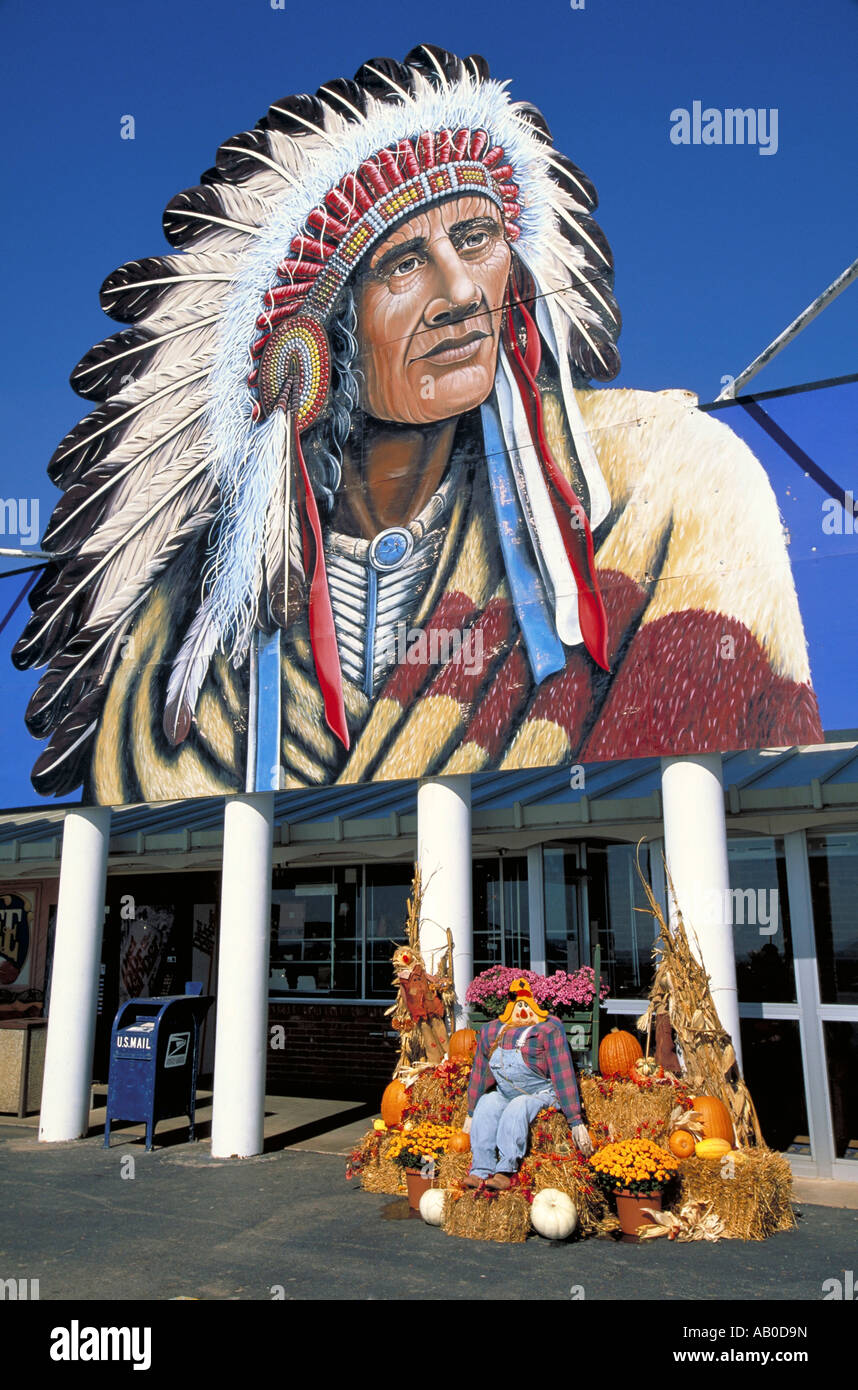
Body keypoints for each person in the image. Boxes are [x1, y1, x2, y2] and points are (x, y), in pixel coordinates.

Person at [16, 45, 822, 803]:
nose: (463, 291)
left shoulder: (659, 482)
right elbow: (149, 853)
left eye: (476, 240)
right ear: (314, 338)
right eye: (403, 263)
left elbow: (717, 817)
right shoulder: (187, 632)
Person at [463, 977, 592, 1190]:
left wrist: (575, 1120)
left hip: (541, 1091)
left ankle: (505, 1170)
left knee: (518, 1106)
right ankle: (480, 1169)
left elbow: (563, 1073)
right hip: (505, 1091)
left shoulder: (549, 1030)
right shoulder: (491, 1032)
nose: (521, 1010)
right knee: (486, 1104)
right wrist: (471, 1111)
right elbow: (480, 1073)